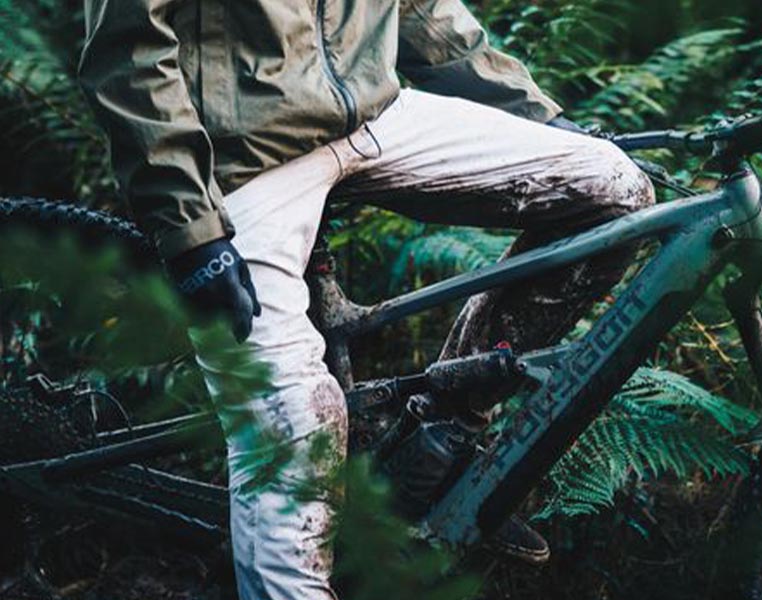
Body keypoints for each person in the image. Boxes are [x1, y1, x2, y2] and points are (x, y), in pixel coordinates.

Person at [78, 1, 655, 598]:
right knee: (293, 423)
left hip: (376, 116)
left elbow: (419, 10)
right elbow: (127, 48)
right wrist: (191, 229)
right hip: (238, 159)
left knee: (614, 191)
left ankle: (431, 444)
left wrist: (538, 115)